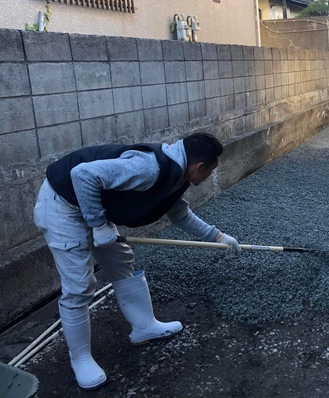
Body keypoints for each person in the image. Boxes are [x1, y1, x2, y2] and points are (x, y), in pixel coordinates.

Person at [33, 132, 241, 390]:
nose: (209, 176)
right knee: (79, 285)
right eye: (210, 171)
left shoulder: (178, 175)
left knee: (122, 262)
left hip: (90, 200)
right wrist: (98, 224)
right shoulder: (148, 167)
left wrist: (218, 237)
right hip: (63, 204)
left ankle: (144, 327)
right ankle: (81, 359)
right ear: (199, 167)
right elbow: (83, 175)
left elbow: (180, 215)